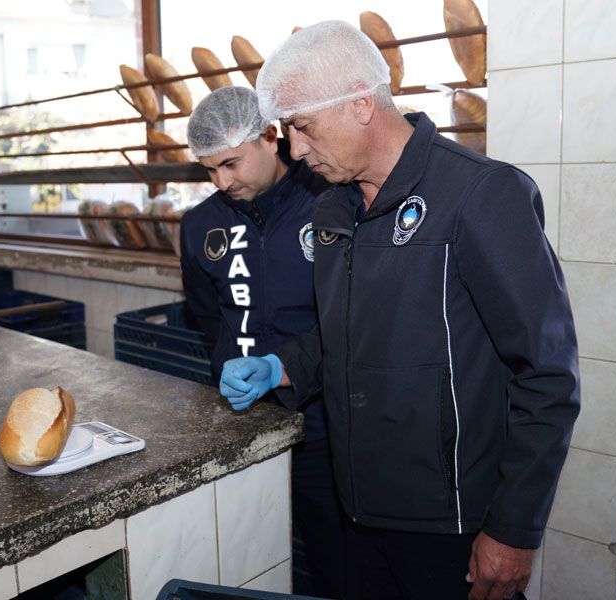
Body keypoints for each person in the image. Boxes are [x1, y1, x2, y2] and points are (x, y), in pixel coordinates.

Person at [219, 21, 581, 600]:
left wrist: (513, 529)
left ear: (361, 102)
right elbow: (344, 330)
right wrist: (282, 366)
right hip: (359, 509)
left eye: (303, 126)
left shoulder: (481, 195)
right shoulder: (332, 206)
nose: (296, 148)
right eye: (288, 131)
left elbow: (547, 374)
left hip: (452, 523)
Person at [178, 86, 346, 598]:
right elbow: (208, 317)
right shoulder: (201, 225)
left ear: (272, 138)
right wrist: (231, 361)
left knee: (335, 559)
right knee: (246, 556)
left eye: (231, 163)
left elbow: (355, 318)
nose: (222, 181)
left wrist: (287, 365)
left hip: (325, 423)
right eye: (209, 170)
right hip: (241, 422)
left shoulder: (329, 202)